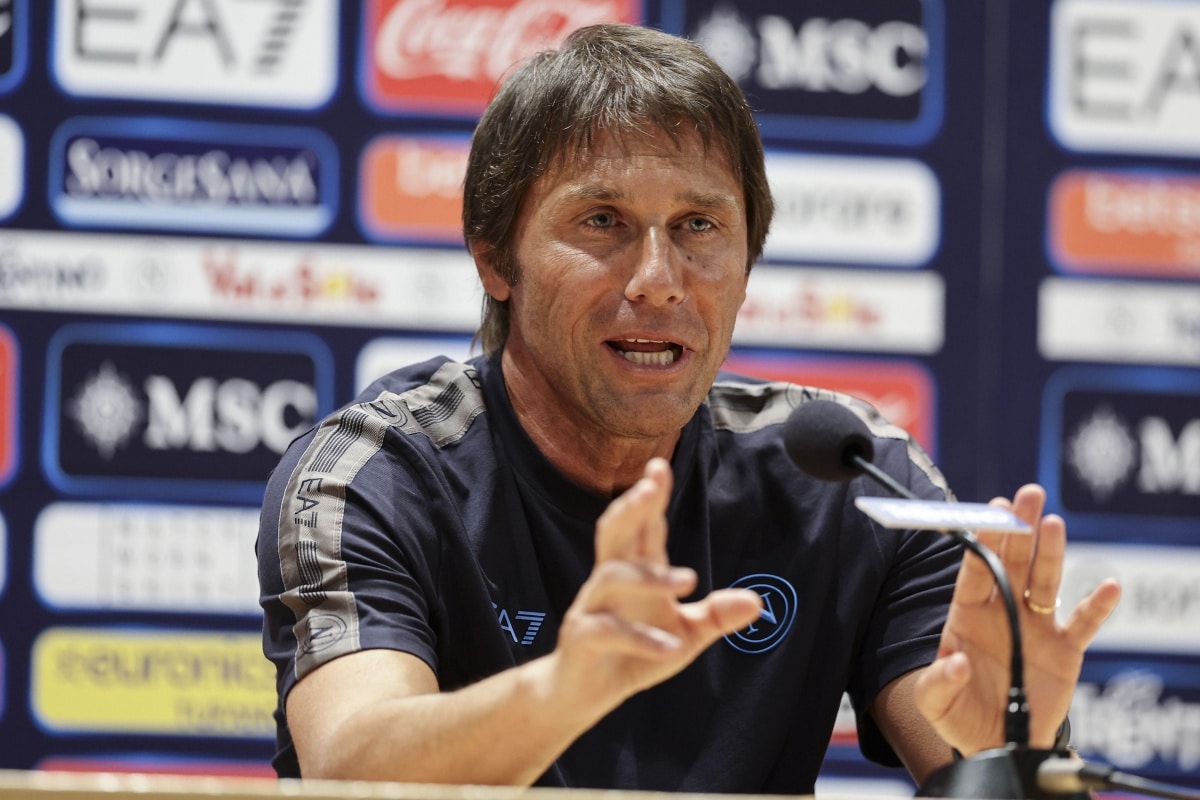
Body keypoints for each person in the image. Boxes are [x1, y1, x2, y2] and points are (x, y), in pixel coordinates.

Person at [256, 22, 1121, 793]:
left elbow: (979, 758)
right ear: (494, 258)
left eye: (699, 226)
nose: (658, 281)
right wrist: (571, 687)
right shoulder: (374, 476)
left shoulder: (850, 481)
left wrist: (1011, 757)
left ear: (748, 263)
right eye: (602, 221)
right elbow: (352, 771)